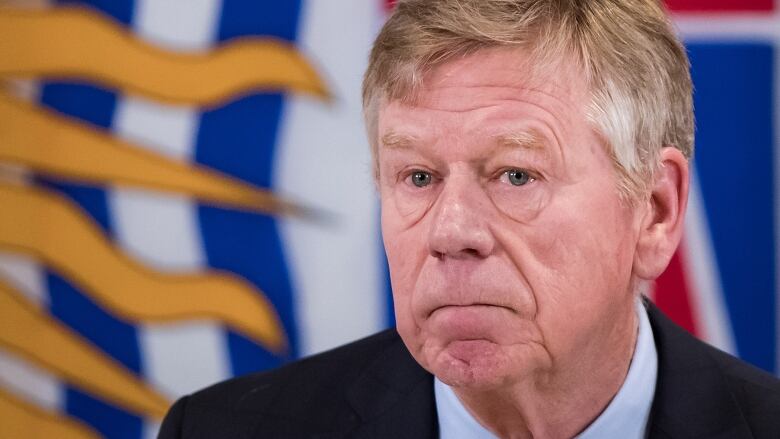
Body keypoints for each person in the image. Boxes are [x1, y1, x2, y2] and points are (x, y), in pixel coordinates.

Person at [158, 0, 780, 437]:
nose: (450, 232)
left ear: (654, 211)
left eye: (515, 175)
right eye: (418, 177)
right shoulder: (222, 430)